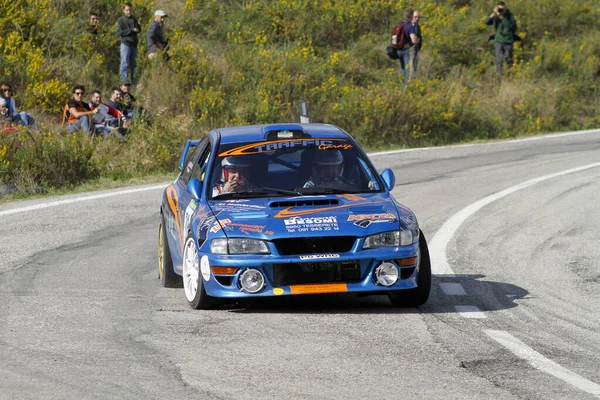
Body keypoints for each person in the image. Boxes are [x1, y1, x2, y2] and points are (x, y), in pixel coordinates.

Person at [485, 1, 518, 74]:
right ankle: (499, 76)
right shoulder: (496, 15)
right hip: (499, 40)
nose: (501, 10)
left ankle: (510, 75)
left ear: (505, 8)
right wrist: (494, 14)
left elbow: (510, 26)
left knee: (509, 59)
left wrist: (501, 15)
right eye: (500, 8)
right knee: (499, 60)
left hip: (508, 41)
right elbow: (486, 22)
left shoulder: (510, 16)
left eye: (503, 8)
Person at [116, 2, 141, 83]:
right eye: (127, 10)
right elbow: (120, 32)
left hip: (134, 44)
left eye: (130, 10)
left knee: (134, 64)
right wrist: (131, 30)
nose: (129, 12)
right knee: (124, 63)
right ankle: (123, 80)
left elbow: (138, 29)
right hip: (125, 44)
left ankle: (134, 81)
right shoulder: (121, 20)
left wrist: (138, 28)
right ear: (123, 10)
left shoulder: (134, 19)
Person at [395, 8, 413, 86]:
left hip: (398, 49)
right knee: (408, 69)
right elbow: (413, 40)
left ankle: (398, 84)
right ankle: (405, 87)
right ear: (411, 16)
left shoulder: (400, 24)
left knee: (402, 67)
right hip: (406, 50)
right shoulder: (409, 26)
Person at [408, 11, 423, 80]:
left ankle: (413, 79)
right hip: (409, 48)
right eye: (415, 17)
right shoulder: (408, 26)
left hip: (416, 48)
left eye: (418, 17)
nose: (417, 19)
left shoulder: (418, 27)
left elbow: (420, 37)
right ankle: (410, 80)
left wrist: (419, 42)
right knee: (410, 65)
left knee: (415, 64)